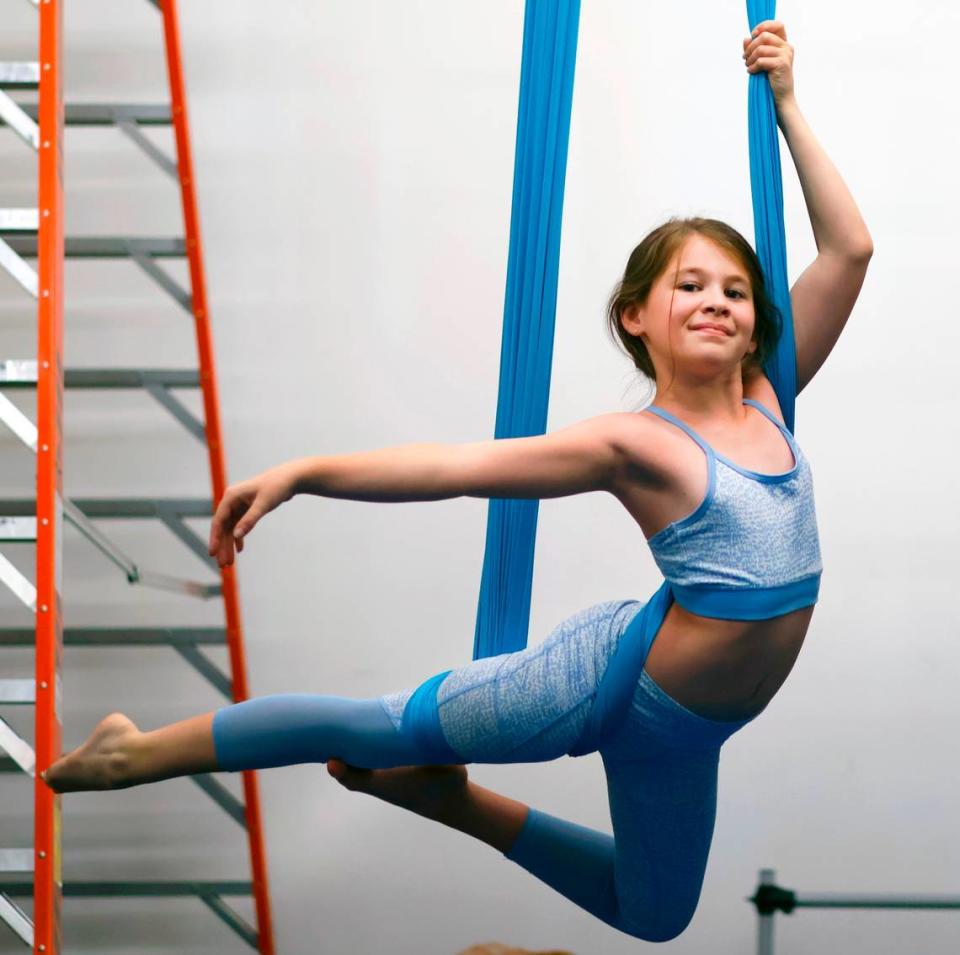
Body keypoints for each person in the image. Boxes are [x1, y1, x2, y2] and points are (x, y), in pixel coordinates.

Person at [42, 21, 872, 943]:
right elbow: (454, 467)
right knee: (370, 729)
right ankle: (134, 751)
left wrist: (787, 103)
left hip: (687, 733)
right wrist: (304, 472)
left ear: (758, 322)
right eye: (688, 286)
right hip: (601, 684)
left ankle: (450, 801)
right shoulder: (641, 446)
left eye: (735, 289)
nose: (716, 300)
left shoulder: (773, 401)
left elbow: (849, 251)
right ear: (636, 316)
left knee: (656, 916)